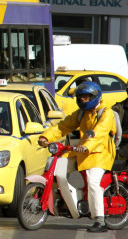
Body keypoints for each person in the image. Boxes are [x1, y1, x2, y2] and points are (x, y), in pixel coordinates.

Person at [37, 82, 116, 233]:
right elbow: (63, 126)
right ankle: (71, 202)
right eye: (81, 97)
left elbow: (99, 133)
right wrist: (45, 137)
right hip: (82, 151)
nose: (83, 100)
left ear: (95, 97)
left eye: (86, 97)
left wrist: (87, 146)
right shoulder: (81, 114)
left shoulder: (106, 113)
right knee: (58, 167)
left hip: (101, 153)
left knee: (93, 182)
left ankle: (100, 220)